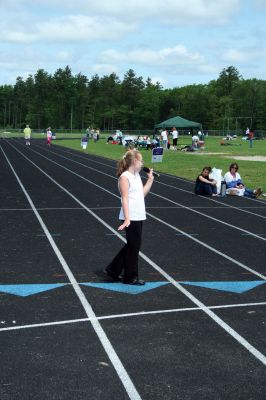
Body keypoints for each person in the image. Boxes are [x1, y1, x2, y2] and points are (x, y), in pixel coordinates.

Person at [105, 149, 154, 285]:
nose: (143, 163)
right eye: (141, 160)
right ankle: (130, 277)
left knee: (133, 246)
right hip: (130, 216)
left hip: (138, 215)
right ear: (134, 161)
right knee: (134, 247)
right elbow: (125, 199)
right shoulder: (124, 177)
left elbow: (141, 194)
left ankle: (113, 270)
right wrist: (127, 219)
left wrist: (150, 180)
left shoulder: (136, 175)